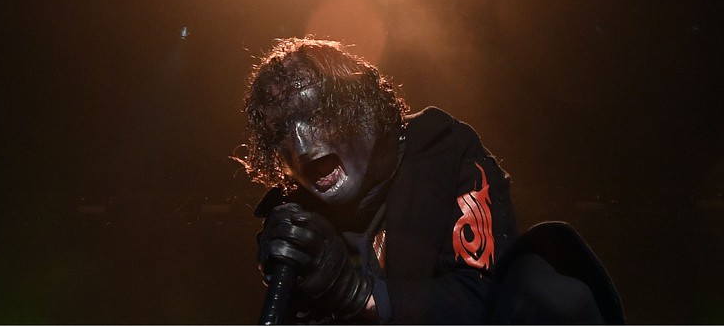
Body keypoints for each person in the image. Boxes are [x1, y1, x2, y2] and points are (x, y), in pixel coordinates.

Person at [234, 37, 624, 324]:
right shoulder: (295, 212)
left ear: (361, 107)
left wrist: (357, 294)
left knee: (546, 285)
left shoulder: (444, 153)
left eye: (315, 113)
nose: (301, 145)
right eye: (281, 129)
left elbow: (477, 298)